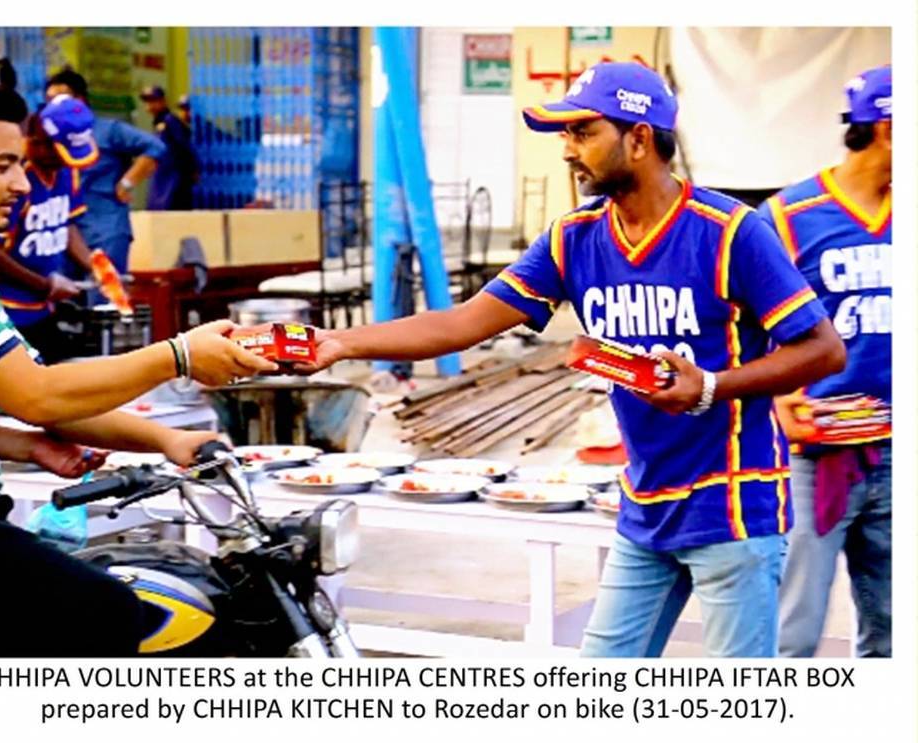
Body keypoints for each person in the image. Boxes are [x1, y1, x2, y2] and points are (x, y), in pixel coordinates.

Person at [295, 62, 846, 657]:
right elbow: (463, 323)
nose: (567, 151)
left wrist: (711, 386)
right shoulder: (574, 239)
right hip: (645, 503)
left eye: (583, 133)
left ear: (639, 139)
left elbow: (823, 349)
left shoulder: (729, 232)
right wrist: (342, 343)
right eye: (565, 135)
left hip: (732, 506)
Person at [0, 79, 278, 656]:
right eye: (3, 166)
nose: (21, 184)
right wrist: (179, 355)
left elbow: (47, 401)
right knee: (109, 612)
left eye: (20, 164)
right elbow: (38, 396)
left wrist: (168, 440)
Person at [758, 65, 892, 658]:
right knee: (793, 631)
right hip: (814, 455)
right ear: (888, 129)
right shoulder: (788, 218)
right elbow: (740, 325)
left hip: (898, 451)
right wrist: (778, 397)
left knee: (893, 633)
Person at [0, 94, 99, 363]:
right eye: (60, 154)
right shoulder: (15, 181)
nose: (65, 162)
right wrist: (45, 285)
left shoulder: (67, 172)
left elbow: (66, 224)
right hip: (6, 310)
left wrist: (95, 266)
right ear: (38, 139)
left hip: (43, 309)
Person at [45, 67, 164, 275]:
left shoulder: (107, 130)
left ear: (80, 100)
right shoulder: (50, 139)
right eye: (50, 100)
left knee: (105, 292)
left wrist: (127, 183)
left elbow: (155, 147)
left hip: (106, 228)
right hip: (65, 233)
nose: (55, 105)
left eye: (61, 99)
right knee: (65, 293)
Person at [139, 85, 199, 211]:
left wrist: (193, 169)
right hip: (162, 177)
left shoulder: (170, 121)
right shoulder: (159, 122)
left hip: (173, 180)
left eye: (153, 101)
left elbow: (185, 147)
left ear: (162, 101)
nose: (149, 105)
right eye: (147, 101)